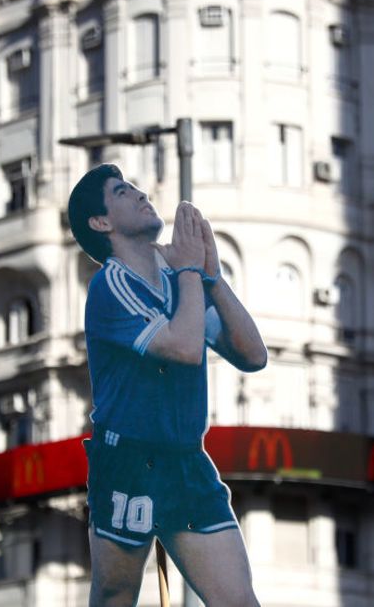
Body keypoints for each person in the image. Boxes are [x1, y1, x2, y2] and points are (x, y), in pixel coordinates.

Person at [67, 163, 267, 606]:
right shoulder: (110, 285)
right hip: (128, 460)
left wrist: (210, 276)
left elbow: (253, 355)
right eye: (121, 191)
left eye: (134, 186)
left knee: (239, 601)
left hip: (186, 462)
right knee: (116, 593)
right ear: (102, 223)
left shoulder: (182, 281)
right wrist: (192, 273)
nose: (139, 193)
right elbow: (183, 348)